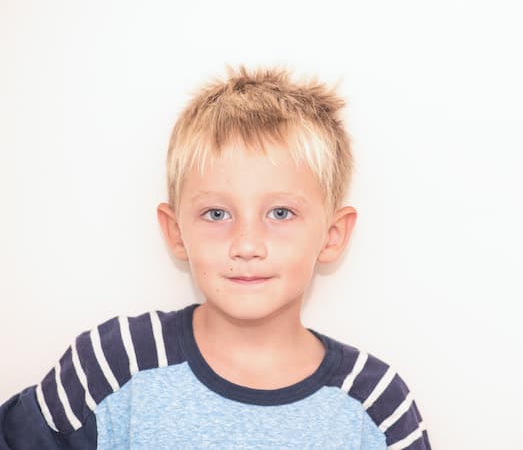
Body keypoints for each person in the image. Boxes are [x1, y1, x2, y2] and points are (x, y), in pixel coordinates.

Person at [0, 65, 432, 449]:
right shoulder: (116, 363)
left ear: (332, 236)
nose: (246, 244)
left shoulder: (376, 405)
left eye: (280, 213)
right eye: (217, 213)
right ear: (176, 232)